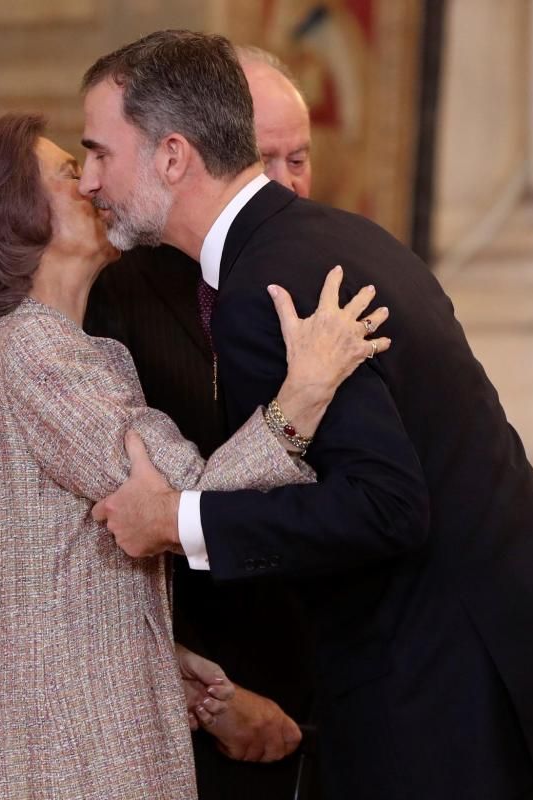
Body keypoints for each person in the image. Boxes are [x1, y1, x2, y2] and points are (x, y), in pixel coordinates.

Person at [79, 30, 533, 799]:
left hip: (462, 706)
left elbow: (386, 508)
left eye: (99, 152)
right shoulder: (334, 240)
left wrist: (176, 521)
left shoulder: (266, 290)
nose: (87, 180)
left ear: (172, 156)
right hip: (527, 676)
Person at [0, 112, 390, 799]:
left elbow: (23, 589)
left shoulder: (8, 356)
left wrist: (154, 657)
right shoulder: (35, 350)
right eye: (70, 172)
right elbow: (192, 497)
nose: (94, 182)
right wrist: (304, 392)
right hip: (68, 760)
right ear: (9, 218)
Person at [82, 45, 318, 799]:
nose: (280, 184)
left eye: (299, 158)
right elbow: (115, 523)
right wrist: (205, 696)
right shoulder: (121, 294)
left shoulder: (338, 269)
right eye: (261, 157)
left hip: (341, 683)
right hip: (213, 694)